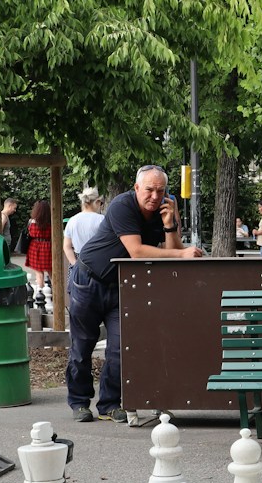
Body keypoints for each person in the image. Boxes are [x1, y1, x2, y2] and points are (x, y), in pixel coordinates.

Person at [66, 165, 203, 423]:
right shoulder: (122, 205)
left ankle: (109, 404)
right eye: (149, 190)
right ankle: (79, 402)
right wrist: (181, 252)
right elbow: (137, 252)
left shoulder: (168, 207)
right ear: (137, 187)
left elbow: (172, 250)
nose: (155, 196)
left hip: (120, 286)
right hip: (89, 280)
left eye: (160, 190)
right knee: (82, 346)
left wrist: (170, 226)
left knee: (120, 349)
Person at [61, 187, 104, 268]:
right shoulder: (102, 220)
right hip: (97, 261)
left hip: (78, 261)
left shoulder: (72, 220)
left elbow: (67, 246)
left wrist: (74, 264)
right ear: (97, 202)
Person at [23, 199, 54, 298]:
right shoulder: (52, 221)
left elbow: (30, 233)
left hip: (35, 246)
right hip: (49, 246)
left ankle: (41, 295)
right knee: (52, 272)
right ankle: (57, 293)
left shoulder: (32, 222)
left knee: (39, 273)